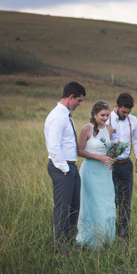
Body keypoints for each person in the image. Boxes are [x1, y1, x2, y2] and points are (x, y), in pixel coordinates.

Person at [44, 81, 85, 250]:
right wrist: (65, 168)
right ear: (71, 97)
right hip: (62, 168)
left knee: (75, 206)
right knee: (63, 207)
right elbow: (53, 146)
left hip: (71, 167)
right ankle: (59, 246)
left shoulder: (66, 115)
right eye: (79, 100)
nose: (79, 104)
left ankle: (69, 241)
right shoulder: (57, 116)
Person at [76, 100, 117, 248]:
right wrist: (99, 157)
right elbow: (80, 151)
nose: (105, 118)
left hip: (105, 171)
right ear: (94, 114)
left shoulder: (110, 129)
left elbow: (108, 149)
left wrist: (113, 156)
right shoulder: (86, 129)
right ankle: (91, 238)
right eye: (102, 115)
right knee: (92, 203)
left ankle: (105, 237)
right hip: (90, 170)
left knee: (106, 202)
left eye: (107, 115)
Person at [109, 92, 137, 242]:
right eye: (124, 112)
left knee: (126, 201)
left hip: (127, 165)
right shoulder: (107, 118)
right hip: (111, 166)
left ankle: (124, 234)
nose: (126, 115)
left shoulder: (133, 120)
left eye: (128, 112)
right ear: (117, 106)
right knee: (112, 199)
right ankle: (110, 232)